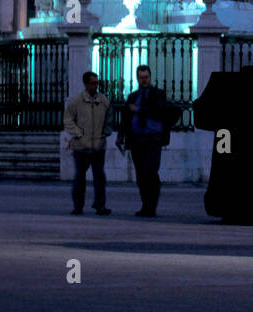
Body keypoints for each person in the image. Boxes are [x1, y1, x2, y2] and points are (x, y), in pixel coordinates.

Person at [116, 65, 176, 218]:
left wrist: (139, 110)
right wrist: (120, 136)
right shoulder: (133, 96)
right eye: (141, 78)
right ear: (137, 78)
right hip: (136, 139)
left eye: (146, 77)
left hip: (152, 139)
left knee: (151, 172)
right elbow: (125, 118)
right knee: (140, 174)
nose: (144, 80)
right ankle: (145, 204)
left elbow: (158, 112)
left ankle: (151, 205)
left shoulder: (158, 94)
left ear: (150, 77)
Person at [63, 71, 113, 216]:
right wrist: (78, 135)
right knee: (79, 178)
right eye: (93, 83)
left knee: (99, 177)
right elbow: (68, 120)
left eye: (97, 83)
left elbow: (109, 119)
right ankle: (78, 205)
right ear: (86, 84)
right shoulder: (76, 102)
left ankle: (100, 205)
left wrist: (105, 134)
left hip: (98, 146)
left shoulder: (103, 101)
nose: (95, 85)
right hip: (81, 147)